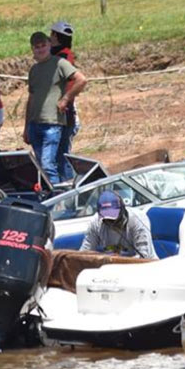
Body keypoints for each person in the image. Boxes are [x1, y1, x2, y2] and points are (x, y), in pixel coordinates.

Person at [23, 31, 87, 185]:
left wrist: (65, 98)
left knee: (48, 165)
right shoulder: (34, 70)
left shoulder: (60, 63)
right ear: (33, 49)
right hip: (35, 123)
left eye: (43, 45)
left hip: (53, 124)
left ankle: (56, 198)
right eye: (37, 47)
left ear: (49, 45)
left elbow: (81, 80)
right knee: (41, 167)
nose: (41, 49)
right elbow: (31, 99)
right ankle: (52, 192)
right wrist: (26, 127)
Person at [79, 190, 156, 259]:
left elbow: (144, 256)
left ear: (122, 210)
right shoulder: (95, 222)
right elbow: (84, 253)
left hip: (144, 267)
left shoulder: (138, 219)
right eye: (107, 219)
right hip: (112, 268)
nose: (111, 223)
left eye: (113, 218)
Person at [49, 20, 78, 181]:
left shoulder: (63, 57)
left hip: (62, 113)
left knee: (61, 155)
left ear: (55, 35)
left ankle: (67, 185)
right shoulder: (62, 55)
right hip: (61, 112)